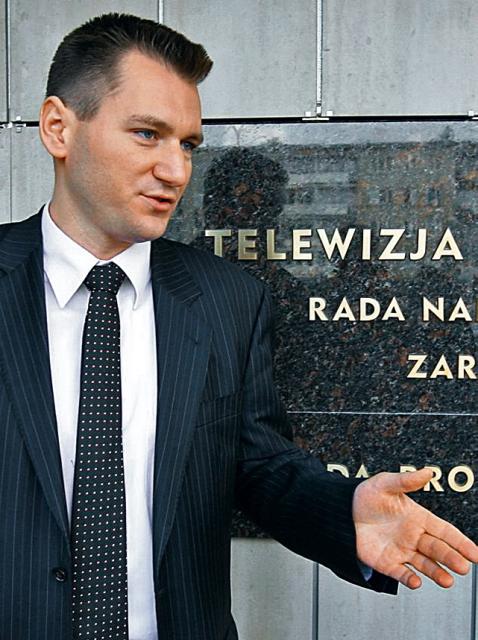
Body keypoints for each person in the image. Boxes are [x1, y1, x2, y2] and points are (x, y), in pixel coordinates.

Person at [0, 13, 475, 640]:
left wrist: (344, 512)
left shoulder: (227, 300)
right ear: (58, 128)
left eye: (188, 145)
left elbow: (260, 466)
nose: (176, 171)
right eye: (147, 134)